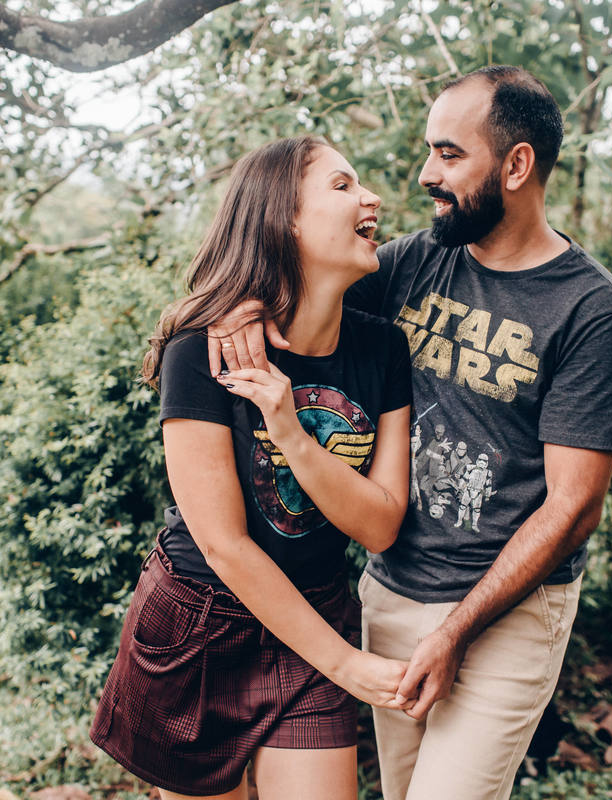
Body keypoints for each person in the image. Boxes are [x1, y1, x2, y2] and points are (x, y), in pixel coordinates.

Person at [209, 66, 612, 800]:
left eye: (448, 153)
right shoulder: (413, 263)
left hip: (506, 616)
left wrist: (456, 632)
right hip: (391, 592)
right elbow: (303, 288)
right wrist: (241, 306)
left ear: (516, 165)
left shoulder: (591, 312)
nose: (425, 174)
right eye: (428, 151)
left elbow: (573, 508)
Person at [89, 136, 416, 800]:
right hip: (201, 624)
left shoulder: (383, 348)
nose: (372, 197)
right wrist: (348, 664)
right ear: (282, 217)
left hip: (314, 616)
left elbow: (380, 526)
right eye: (342, 185)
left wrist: (289, 430)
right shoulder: (201, 353)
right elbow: (224, 545)